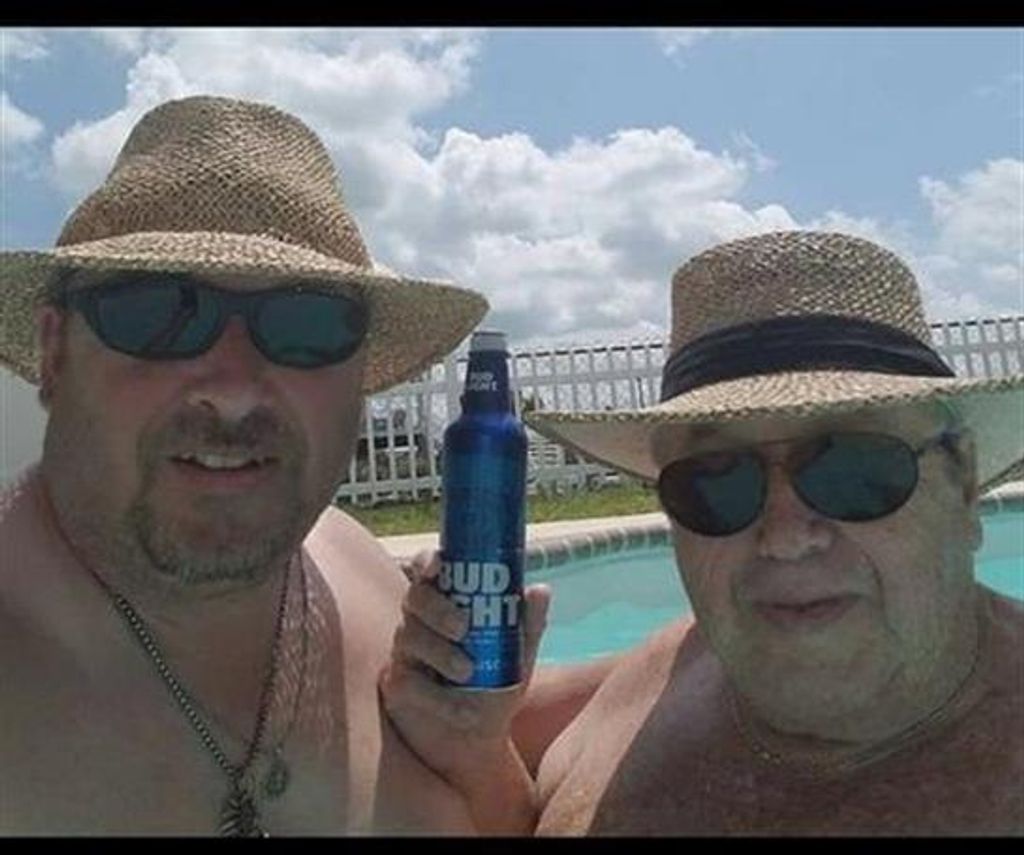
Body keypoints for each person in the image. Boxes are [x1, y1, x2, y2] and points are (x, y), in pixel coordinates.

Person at [381, 230, 1024, 835]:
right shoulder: (675, 664)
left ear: (963, 484)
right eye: (716, 481)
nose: (784, 537)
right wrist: (475, 749)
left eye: (853, 469)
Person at [0, 93, 523, 835]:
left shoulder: (360, 573)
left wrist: (478, 755)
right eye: (159, 311)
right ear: (55, 352)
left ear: (359, 373)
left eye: (308, 322)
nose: (236, 389)